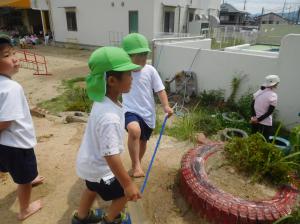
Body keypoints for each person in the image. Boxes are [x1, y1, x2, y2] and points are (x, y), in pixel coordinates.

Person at [72, 47, 142, 224]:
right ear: (112, 80)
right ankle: (110, 220)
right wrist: (127, 184)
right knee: (123, 195)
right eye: (128, 74)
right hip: (101, 169)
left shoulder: (103, 100)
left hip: (89, 164)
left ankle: (81, 218)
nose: (132, 77)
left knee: (91, 188)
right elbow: (110, 155)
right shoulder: (109, 117)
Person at [0, 34, 43, 220]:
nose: (15, 58)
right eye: (7, 55)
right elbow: (6, 121)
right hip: (17, 144)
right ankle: (24, 209)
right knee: (23, 178)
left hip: (4, 144)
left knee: (7, 166)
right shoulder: (11, 88)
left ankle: (28, 177)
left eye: (13, 53)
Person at [121, 33, 173, 178]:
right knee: (134, 130)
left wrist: (166, 106)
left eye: (144, 54)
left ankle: (135, 164)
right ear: (127, 56)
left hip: (147, 114)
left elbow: (160, 90)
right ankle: (137, 165)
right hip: (130, 110)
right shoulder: (123, 71)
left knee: (143, 141)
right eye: (137, 55)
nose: (142, 58)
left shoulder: (150, 70)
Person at [250, 74, 280, 141]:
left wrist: (254, 117)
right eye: (277, 83)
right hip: (265, 123)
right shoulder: (273, 95)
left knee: (252, 140)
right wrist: (258, 120)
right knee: (263, 142)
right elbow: (270, 111)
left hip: (254, 121)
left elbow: (252, 105)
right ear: (274, 84)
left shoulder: (259, 92)